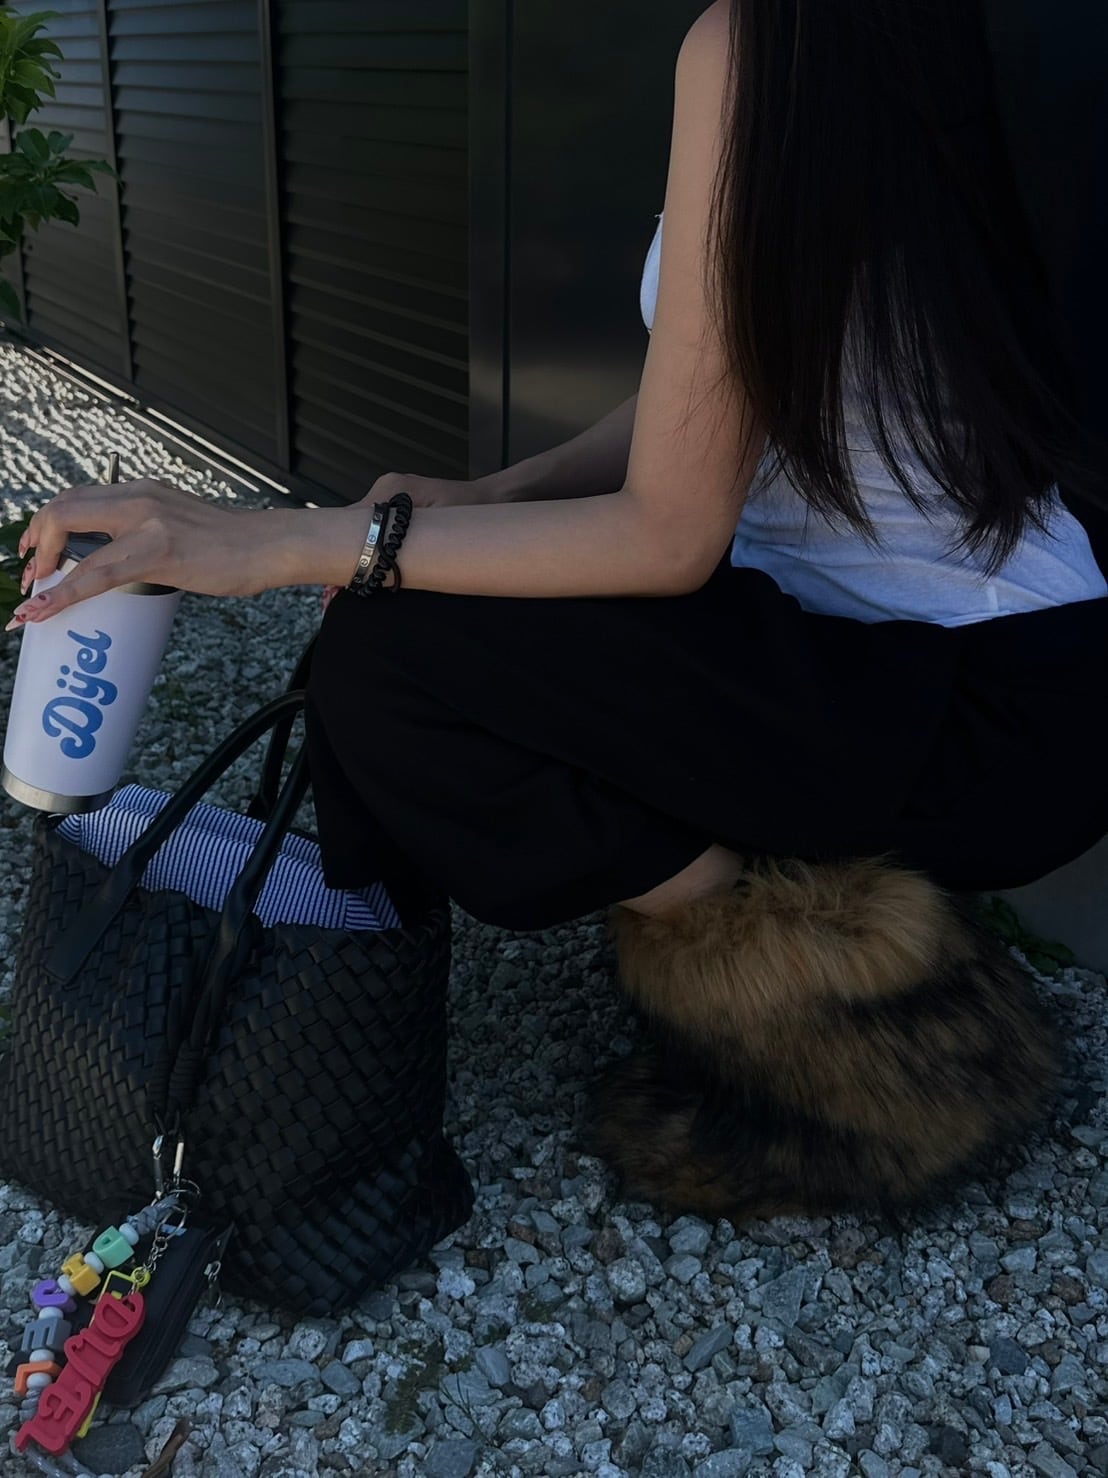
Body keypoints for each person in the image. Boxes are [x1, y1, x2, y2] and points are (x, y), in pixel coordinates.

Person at [12, 0, 1108, 1219]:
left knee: (390, 654)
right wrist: (488, 496)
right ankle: (789, 885)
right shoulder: (853, 36)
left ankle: (840, 1000)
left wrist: (277, 539)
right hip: (943, 667)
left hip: (974, 700)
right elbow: (725, 383)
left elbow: (667, 538)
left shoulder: (763, 40)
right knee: (411, 615)